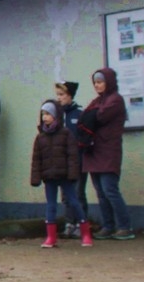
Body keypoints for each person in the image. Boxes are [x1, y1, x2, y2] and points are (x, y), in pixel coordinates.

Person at [81, 68, 134, 240]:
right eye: (95, 82)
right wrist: (90, 115)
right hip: (94, 151)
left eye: (100, 82)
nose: (97, 85)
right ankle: (108, 226)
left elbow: (99, 116)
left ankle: (125, 226)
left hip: (109, 151)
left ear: (109, 82)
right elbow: (85, 117)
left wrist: (90, 114)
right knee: (101, 193)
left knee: (110, 189)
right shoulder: (98, 100)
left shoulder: (115, 100)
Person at [30, 100, 92, 247]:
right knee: (51, 205)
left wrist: (73, 174)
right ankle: (51, 237)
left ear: (56, 116)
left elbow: (72, 156)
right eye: (43, 114)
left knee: (74, 202)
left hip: (65, 176)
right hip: (49, 177)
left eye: (48, 114)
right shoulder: (40, 137)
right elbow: (36, 159)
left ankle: (85, 232)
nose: (45, 117)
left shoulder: (66, 134)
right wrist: (36, 177)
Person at [54, 80, 87, 238]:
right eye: (57, 95)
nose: (59, 98)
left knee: (78, 193)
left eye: (62, 95)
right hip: (62, 162)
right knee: (66, 196)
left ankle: (81, 224)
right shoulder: (57, 116)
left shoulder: (79, 114)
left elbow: (84, 137)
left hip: (78, 161)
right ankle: (69, 224)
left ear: (70, 96)